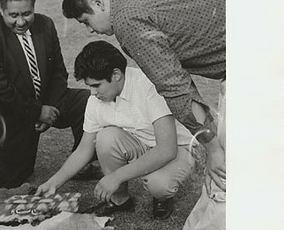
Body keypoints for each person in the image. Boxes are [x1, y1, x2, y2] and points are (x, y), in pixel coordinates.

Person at [62, 0, 226, 230]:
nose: (90, 29)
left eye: (85, 20)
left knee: (229, 183)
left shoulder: (127, 19)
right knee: (221, 178)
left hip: (265, 68)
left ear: (97, 2)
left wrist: (210, 145)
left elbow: (175, 86)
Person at [36, 41, 195, 219]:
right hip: (142, 142)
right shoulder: (95, 99)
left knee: (158, 184)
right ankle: (119, 200)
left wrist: (117, 176)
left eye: (96, 85)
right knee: (105, 137)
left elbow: (167, 149)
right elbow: (84, 148)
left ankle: (162, 197)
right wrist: (53, 182)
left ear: (116, 74)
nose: (92, 93)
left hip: (177, 147)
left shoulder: (149, 86)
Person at [0, 0, 94, 189]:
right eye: (13, 15)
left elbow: (58, 72)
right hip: (8, 114)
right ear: (2, 11)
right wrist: (37, 111)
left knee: (87, 102)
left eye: (26, 13)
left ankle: (81, 162)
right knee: (10, 179)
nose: (21, 22)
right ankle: (0, 155)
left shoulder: (45, 24)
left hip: (45, 102)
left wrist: (51, 108)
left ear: (34, 7)